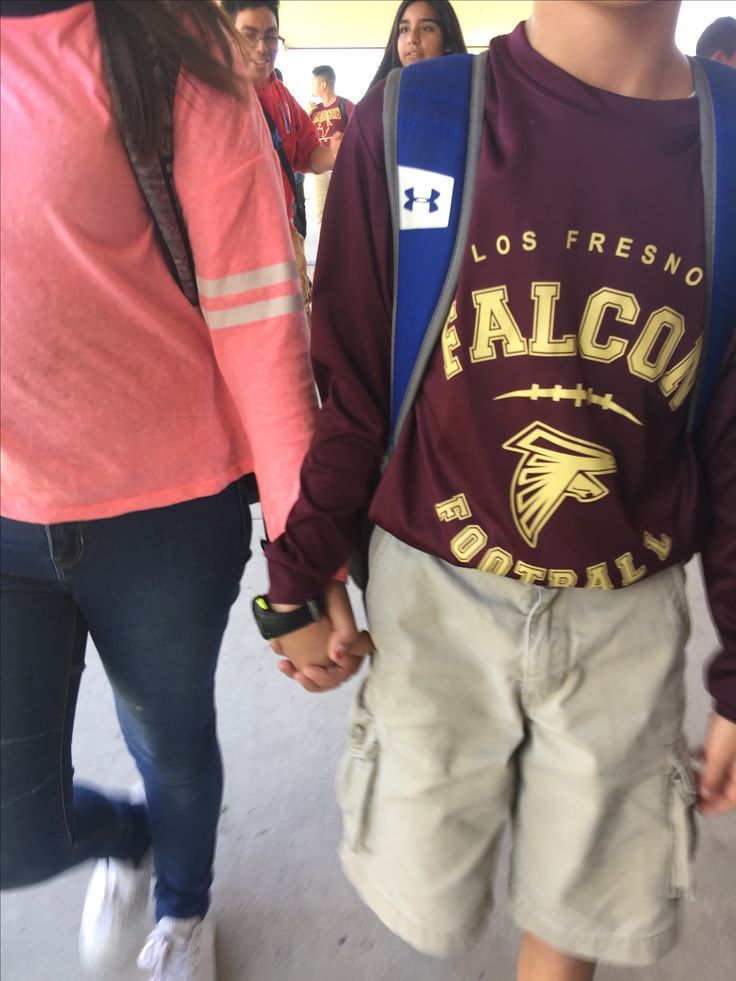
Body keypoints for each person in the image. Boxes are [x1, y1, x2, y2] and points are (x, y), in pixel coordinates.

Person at [257, 1, 736, 979]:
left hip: (626, 620)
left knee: (585, 903)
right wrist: (296, 576)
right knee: (421, 887)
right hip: (432, 604)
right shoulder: (414, 122)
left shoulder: (727, 143)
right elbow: (351, 388)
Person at [0, 1, 317, 980]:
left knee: (169, 740)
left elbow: (260, 315)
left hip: (166, 515)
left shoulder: (165, 41)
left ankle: (183, 904)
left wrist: (302, 562)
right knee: (17, 833)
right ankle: (129, 837)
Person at [223, 0, 342, 326]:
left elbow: (309, 154)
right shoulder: (213, 96)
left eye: (270, 36)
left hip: (285, 239)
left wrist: (336, 154)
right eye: (249, 35)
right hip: (233, 247)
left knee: (294, 335)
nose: (262, 48)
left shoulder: (283, 97)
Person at [369, 0, 467, 90]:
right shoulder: (377, 99)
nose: (412, 39)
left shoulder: (472, 95)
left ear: (448, 41)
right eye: (405, 29)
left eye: (426, 28)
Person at [309, 66, 354, 233]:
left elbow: (360, 129)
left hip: (341, 169)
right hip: (320, 171)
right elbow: (301, 134)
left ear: (323, 85)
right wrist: (307, 114)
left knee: (344, 212)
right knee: (322, 215)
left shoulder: (344, 105)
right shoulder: (314, 110)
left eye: (313, 81)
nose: (311, 85)